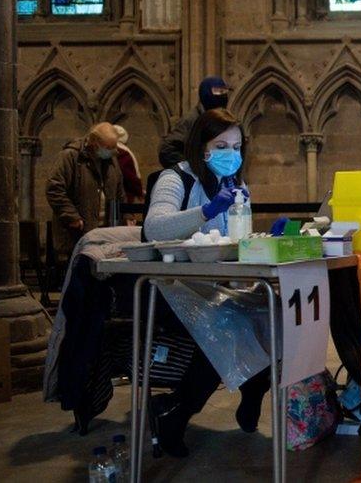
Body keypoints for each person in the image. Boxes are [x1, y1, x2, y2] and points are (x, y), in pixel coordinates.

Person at [143, 108, 269, 457]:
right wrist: (206, 211)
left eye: (237, 145)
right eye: (221, 145)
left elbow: (236, 242)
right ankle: (175, 412)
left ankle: (255, 392)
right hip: (174, 286)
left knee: (271, 316)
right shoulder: (175, 179)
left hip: (217, 284)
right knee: (227, 325)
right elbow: (155, 228)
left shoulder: (238, 185)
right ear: (201, 147)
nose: (231, 153)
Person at [46, 122, 125, 255]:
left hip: (105, 232)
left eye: (114, 147)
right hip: (78, 232)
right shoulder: (70, 156)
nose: (114, 151)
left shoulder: (111, 161)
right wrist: (72, 216)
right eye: (109, 147)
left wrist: (127, 214)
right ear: (95, 143)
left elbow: (119, 191)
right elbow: (54, 188)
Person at [158, 76, 231, 167]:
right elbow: (167, 150)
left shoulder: (221, 118)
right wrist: (192, 167)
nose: (223, 96)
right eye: (219, 92)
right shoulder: (192, 119)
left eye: (224, 91)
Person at [112, 124, 144, 203]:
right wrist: (139, 191)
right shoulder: (123, 152)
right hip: (123, 195)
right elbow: (130, 175)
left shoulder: (112, 149)